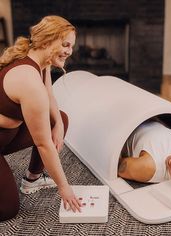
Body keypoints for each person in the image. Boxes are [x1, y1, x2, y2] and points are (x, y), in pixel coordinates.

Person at [0, 15, 81, 222]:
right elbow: (43, 143)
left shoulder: (40, 62)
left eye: (71, 46)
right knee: (8, 209)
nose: (69, 51)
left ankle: (32, 180)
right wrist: (64, 187)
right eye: (65, 44)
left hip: (8, 134)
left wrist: (60, 125)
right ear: (47, 40)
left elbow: (50, 96)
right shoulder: (28, 81)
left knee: (59, 118)